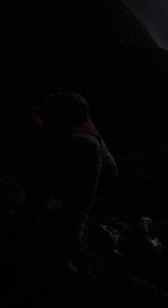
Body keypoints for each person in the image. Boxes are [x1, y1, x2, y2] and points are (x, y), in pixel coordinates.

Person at [13, 91, 117, 266]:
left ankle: (21, 236)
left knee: (42, 195)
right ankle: (66, 258)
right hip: (94, 156)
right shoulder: (82, 121)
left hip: (67, 148)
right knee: (79, 207)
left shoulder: (42, 113)